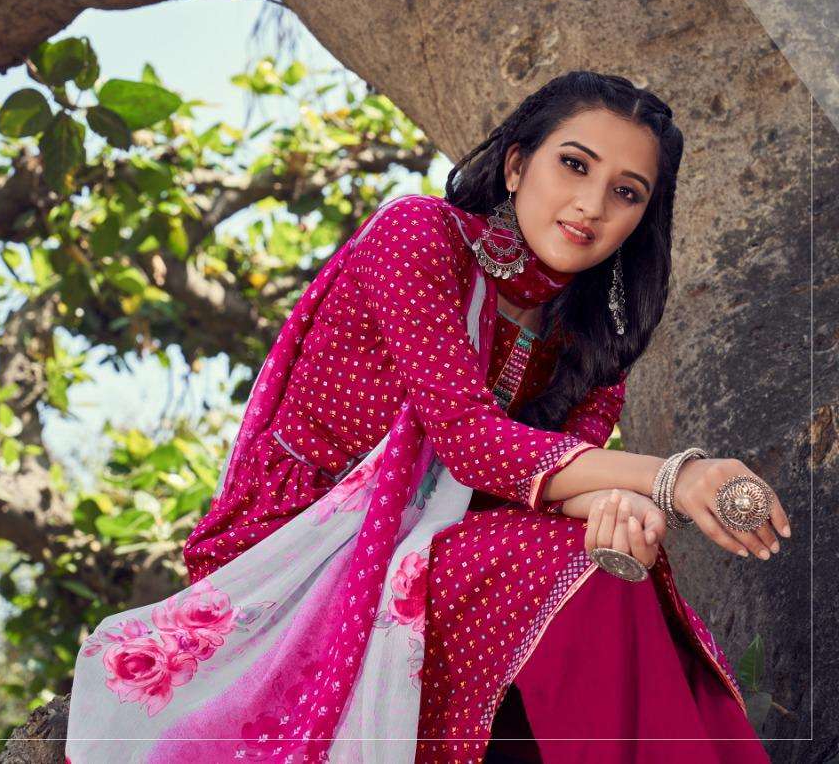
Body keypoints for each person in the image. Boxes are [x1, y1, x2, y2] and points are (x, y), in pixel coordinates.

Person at [63, 71, 789, 763]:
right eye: (574, 165)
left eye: (625, 192)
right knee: (578, 570)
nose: (592, 205)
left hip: (452, 545)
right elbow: (473, 442)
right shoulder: (419, 236)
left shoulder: (593, 338)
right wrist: (674, 477)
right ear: (516, 167)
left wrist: (619, 507)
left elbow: (550, 485)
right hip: (307, 543)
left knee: (614, 566)